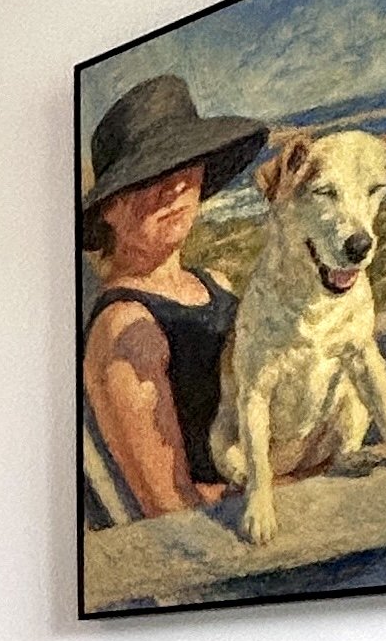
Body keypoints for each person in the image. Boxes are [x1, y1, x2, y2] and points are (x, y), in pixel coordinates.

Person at [79, 79, 265, 524]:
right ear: (110, 207)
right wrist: (319, 476)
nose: (177, 187)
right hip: (249, 513)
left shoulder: (214, 282)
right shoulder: (126, 327)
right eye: (152, 176)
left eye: (187, 165)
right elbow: (171, 506)